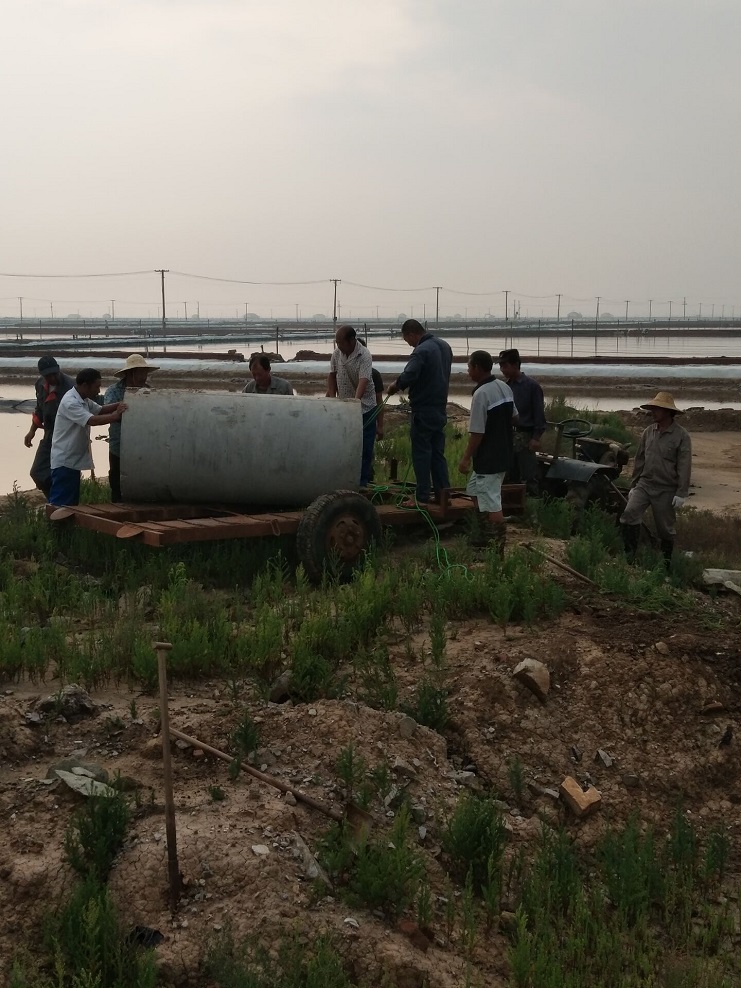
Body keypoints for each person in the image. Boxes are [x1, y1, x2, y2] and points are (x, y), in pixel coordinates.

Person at [619, 391, 692, 567]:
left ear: (668, 412)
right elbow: (640, 460)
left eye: (657, 409)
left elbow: (684, 465)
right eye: (652, 408)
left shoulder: (682, 436)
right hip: (644, 484)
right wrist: (634, 485)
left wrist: (681, 493)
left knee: (665, 530)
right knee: (629, 514)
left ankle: (665, 567)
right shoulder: (648, 432)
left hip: (666, 488)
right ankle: (629, 560)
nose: (653, 412)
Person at [387, 318, 453, 507]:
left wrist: (395, 386)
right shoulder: (445, 346)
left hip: (423, 409)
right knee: (437, 454)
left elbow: (410, 374)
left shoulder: (421, 351)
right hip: (440, 408)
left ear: (412, 334)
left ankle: (421, 497)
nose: (409, 343)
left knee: (422, 454)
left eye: (407, 339)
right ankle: (443, 495)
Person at [458, 351, 516, 554]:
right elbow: (515, 417)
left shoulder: (481, 394)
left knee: (492, 502)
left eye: (469, 367)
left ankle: (496, 548)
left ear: (477, 368)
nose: (467, 371)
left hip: (489, 458)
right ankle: (484, 536)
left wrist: (465, 458)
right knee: (474, 490)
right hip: (503, 453)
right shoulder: (504, 387)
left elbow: (477, 432)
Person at [49, 368, 127, 508]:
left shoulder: (83, 399)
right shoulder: (70, 402)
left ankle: (64, 522)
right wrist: (116, 416)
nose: (98, 391)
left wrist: (119, 404)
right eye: (96, 386)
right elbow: (92, 420)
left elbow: (100, 409)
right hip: (65, 460)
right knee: (61, 505)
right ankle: (55, 522)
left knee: (70, 504)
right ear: (85, 385)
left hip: (72, 460)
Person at [326, 325, 377, 488]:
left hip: (365, 407)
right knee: (343, 444)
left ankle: (362, 483)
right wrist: (332, 398)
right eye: (337, 342)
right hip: (343, 406)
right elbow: (332, 376)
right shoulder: (337, 354)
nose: (338, 345)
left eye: (340, 342)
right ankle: (343, 480)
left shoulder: (364, 355)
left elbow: (364, 380)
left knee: (364, 447)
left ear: (351, 340)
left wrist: (355, 402)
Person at [104, 354, 158, 502]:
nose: (143, 377)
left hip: (142, 445)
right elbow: (109, 414)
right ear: (130, 374)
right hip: (119, 444)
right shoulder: (113, 391)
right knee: (117, 479)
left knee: (142, 478)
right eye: (140, 373)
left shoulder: (148, 391)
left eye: (145, 373)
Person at [498, 348, 546, 496]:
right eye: (500, 366)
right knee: (508, 475)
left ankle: (532, 506)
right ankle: (511, 505)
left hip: (525, 436)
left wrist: (536, 438)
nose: (502, 370)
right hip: (508, 436)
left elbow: (539, 414)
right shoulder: (505, 387)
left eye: (505, 366)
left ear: (515, 365)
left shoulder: (532, 386)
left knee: (528, 475)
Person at [24, 356, 75, 497]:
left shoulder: (71, 387)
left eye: (54, 374)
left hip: (67, 436)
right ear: (42, 375)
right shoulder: (40, 384)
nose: (52, 378)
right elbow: (39, 409)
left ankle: (60, 502)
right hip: (49, 434)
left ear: (58, 369)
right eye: (48, 376)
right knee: (37, 472)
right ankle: (54, 499)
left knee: (63, 473)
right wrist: (32, 431)